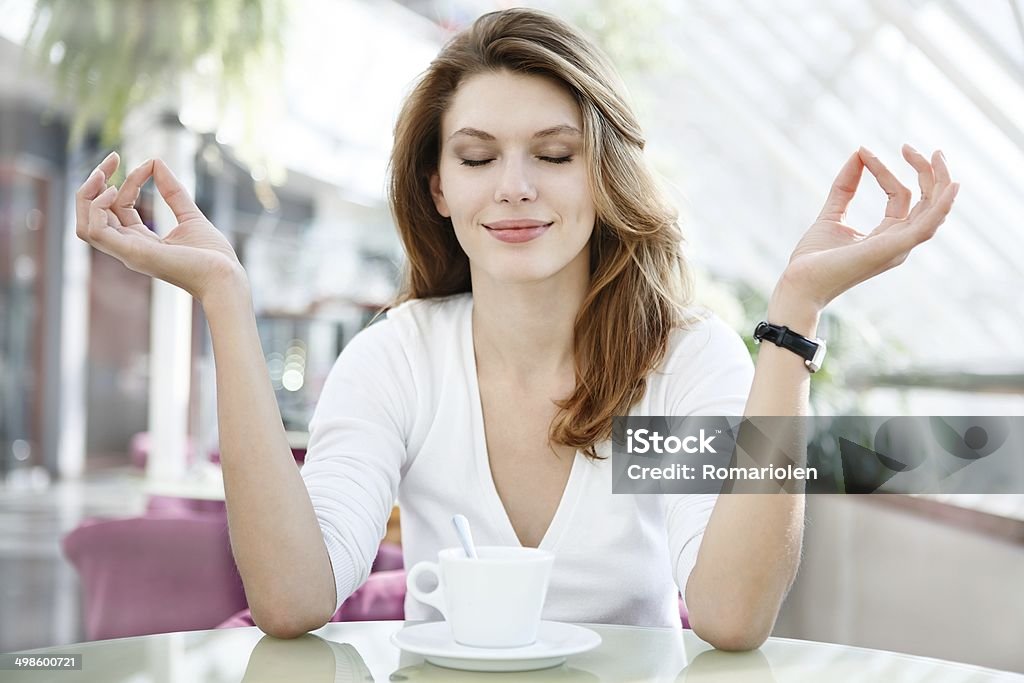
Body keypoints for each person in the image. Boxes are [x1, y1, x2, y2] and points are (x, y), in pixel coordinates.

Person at [75, 8, 958, 650]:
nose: (514, 187)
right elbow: (295, 597)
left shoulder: (682, 359)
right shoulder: (399, 357)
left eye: (555, 153)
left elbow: (730, 616)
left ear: (602, 175)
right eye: (477, 156)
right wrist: (225, 298)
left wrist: (796, 313)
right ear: (438, 188)